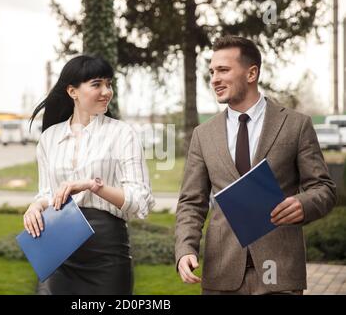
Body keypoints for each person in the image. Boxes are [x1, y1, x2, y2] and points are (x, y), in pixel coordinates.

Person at [174, 35, 336, 295]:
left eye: (223, 70)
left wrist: (303, 204)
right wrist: (185, 249)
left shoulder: (296, 125)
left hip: (280, 271)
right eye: (212, 71)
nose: (214, 78)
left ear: (252, 73)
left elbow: (324, 189)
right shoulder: (203, 134)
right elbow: (191, 202)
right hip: (221, 273)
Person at [23, 55, 155, 295]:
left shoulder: (123, 134)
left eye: (109, 84)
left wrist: (93, 186)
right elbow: (47, 193)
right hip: (58, 250)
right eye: (97, 84)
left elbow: (140, 201)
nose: (106, 91)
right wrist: (35, 206)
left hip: (107, 255)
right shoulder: (49, 138)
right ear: (73, 91)